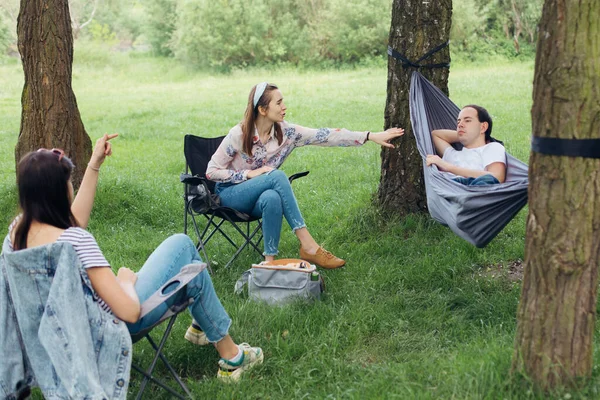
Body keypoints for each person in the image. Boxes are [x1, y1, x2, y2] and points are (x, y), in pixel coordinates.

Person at [4, 135, 262, 383]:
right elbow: (129, 312)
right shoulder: (77, 244)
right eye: (69, 182)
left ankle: (202, 326)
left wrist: (94, 165)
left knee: (188, 266)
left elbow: (72, 222)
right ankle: (232, 357)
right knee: (182, 246)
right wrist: (124, 281)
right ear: (61, 193)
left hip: (60, 342)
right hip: (109, 331)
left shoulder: (17, 235)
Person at [206, 82, 404, 269]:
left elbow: (326, 135)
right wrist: (249, 174)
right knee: (277, 177)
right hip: (229, 195)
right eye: (279, 102)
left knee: (272, 197)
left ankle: (269, 262)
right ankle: (308, 245)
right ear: (262, 109)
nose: (284, 107)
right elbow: (211, 171)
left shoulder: (288, 133)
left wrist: (370, 136)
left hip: (258, 198)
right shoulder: (239, 134)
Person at [426, 104, 506, 186]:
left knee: (487, 179)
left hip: (475, 189)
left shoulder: (492, 148)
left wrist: (448, 167)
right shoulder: (452, 155)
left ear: (483, 127)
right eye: (458, 122)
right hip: (450, 188)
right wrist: (464, 135)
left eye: (467, 121)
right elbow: (435, 135)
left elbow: (497, 177)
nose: (460, 125)